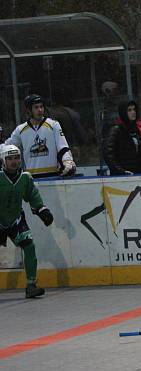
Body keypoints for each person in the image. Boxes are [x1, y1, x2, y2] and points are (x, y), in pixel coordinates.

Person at [0, 144, 53, 298]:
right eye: (9, 158)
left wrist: (42, 211)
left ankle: (31, 285)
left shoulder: (25, 177)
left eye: (16, 158)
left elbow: (32, 196)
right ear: (2, 160)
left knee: (29, 246)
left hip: (15, 220)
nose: (14, 161)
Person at [8, 94, 77, 178]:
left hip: (53, 177)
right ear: (29, 110)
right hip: (30, 179)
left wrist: (67, 161)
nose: (40, 110)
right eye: (36, 107)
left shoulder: (53, 125)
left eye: (41, 106)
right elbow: (7, 147)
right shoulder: (20, 129)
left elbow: (62, 146)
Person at [103, 100, 141, 175]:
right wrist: (120, 171)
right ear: (123, 112)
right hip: (123, 177)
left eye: (134, 109)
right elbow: (108, 154)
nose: (133, 112)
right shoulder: (116, 130)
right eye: (129, 110)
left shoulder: (140, 129)